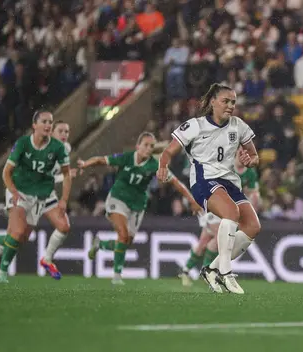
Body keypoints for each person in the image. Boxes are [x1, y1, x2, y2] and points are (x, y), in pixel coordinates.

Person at [157, 83, 261, 294]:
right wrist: (162, 165)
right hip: (204, 181)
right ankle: (225, 271)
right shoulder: (195, 126)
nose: (230, 105)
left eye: (233, 102)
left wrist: (249, 161)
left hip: (230, 183)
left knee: (252, 226)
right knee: (231, 213)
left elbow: (255, 156)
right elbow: (168, 151)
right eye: (225, 101)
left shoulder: (239, 126)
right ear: (212, 102)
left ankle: (211, 269)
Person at [78, 132, 202, 285]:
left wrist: (192, 201)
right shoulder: (126, 157)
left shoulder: (154, 165)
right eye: (145, 145)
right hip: (118, 199)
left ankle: (100, 244)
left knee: (126, 242)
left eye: (151, 146)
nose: (148, 149)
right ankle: (117, 276)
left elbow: (176, 183)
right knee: (123, 235)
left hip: (137, 205)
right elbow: (100, 160)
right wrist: (85, 164)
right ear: (137, 146)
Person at [0, 111, 71, 283]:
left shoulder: (60, 149)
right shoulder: (22, 144)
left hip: (42, 195)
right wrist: (13, 191)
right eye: (44, 121)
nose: (48, 125)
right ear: (34, 125)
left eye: (50, 122)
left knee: (20, 238)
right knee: (18, 231)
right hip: (19, 191)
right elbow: (6, 172)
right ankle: (3, 272)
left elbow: (66, 175)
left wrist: (64, 199)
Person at [179, 149, 260, 287]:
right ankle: (208, 270)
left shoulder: (250, 172)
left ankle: (188, 271)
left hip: (230, 209)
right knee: (216, 238)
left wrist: (252, 205)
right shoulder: (226, 165)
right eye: (241, 152)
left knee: (204, 242)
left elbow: (252, 193)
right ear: (236, 152)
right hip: (215, 206)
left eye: (246, 153)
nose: (244, 155)